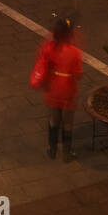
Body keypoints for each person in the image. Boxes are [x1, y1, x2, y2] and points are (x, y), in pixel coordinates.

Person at [30, 16, 83, 161]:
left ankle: (52, 150)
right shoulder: (74, 52)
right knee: (67, 122)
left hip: (52, 88)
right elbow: (78, 74)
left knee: (53, 119)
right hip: (68, 89)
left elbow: (42, 63)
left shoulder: (48, 48)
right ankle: (67, 153)